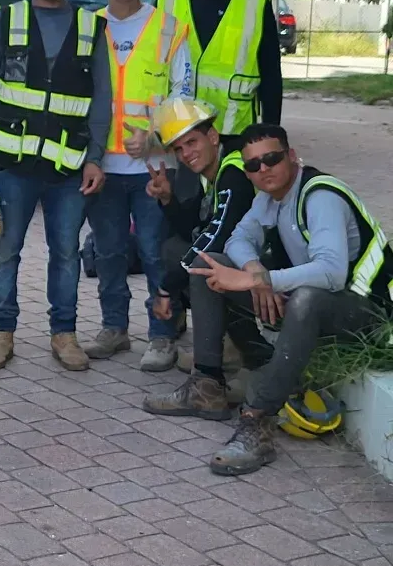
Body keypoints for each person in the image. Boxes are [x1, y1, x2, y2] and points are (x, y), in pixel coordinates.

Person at [144, 123, 392, 476]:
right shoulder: (269, 199)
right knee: (209, 266)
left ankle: (257, 418)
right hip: (319, 304)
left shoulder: (320, 196)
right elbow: (236, 240)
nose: (263, 170)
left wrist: (262, 280)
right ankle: (207, 384)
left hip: (368, 314)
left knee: (305, 298)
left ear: (291, 157)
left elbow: (332, 273)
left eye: (271, 159)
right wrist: (256, 272)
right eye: (253, 166)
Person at [0, 0, 111, 371]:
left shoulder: (90, 27)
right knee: (5, 252)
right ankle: (2, 333)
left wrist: (96, 157)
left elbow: (102, 99)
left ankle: (64, 334)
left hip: (68, 167)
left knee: (65, 253)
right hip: (12, 166)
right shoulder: (5, 22)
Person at [84, 0, 194, 372]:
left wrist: (154, 138)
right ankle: (114, 328)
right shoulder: (89, 27)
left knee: (155, 253)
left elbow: (182, 96)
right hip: (102, 168)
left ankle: (162, 335)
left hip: (154, 166)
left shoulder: (169, 28)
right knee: (109, 252)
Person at [146, 97, 257, 377]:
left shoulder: (235, 171)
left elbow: (216, 237)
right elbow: (193, 227)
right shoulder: (212, 170)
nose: (186, 154)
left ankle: (233, 354)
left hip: (272, 270)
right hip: (253, 263)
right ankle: (226, 344)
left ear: (212, 136)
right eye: (179, 148)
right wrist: (168, 199)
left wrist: (165, 290)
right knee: (177, 250)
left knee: (205, 263)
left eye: (192, 142)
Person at [157, 0, 282, 146]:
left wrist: (271, 132)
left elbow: (271, 76)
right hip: (182, 131)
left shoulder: (254, 2)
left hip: (237, 134)